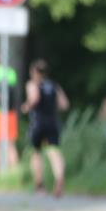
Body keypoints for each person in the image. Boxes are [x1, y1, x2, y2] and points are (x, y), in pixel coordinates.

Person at [22, 59, 70, 197]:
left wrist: (26, 107)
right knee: (54, 152)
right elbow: (64, 104)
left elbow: (34, 98)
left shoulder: (33, 84)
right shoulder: (54, 85)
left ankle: (39, 185)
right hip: (53, 122)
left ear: (34, 72)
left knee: (36, 153)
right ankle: (59, 177)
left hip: (38, 123)